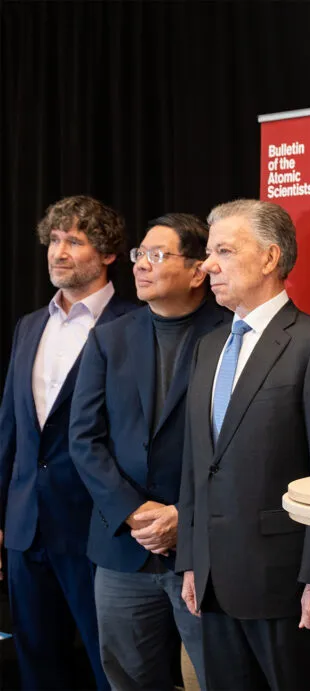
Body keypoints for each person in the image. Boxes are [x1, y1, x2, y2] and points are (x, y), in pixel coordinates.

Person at [70, 213, 229, 690]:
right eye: (140, 255)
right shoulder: (109, 337)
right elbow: (84, 439)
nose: (141, 265)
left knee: (221, 676)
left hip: (204, 549)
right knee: (130, 681)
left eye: (158, 256)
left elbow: (239, 448)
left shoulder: (231, 336)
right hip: (123, 549)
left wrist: (186, 515)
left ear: (198, 270)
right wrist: (135, 512)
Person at [176, 199, 310, 690]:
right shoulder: (208, 346)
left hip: (284, 585)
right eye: (207, 251)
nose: (208, 265)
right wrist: (191, 560)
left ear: (268, 258)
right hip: (215, 580)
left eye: (223, 250)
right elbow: (197, 463)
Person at [0, 195, 137, 690]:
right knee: (36, 667)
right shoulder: (29, 326)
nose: (59, 251)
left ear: (107, 254)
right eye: (55, 240)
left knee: (111, 669)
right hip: (25, 528)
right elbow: (11, 432)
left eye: (74, 241)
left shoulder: (135, 324)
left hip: (97, 531)